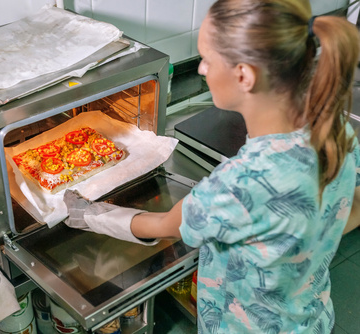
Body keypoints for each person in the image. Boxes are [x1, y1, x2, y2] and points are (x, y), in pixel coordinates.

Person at [63, 0, 360, 333]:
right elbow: (353, 203)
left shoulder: (241, 183)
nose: (201, 69)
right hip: (312, 317)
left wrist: (92, 215)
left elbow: (164, 225)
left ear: (244, 75)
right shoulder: (335, 130)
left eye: (206, 59)